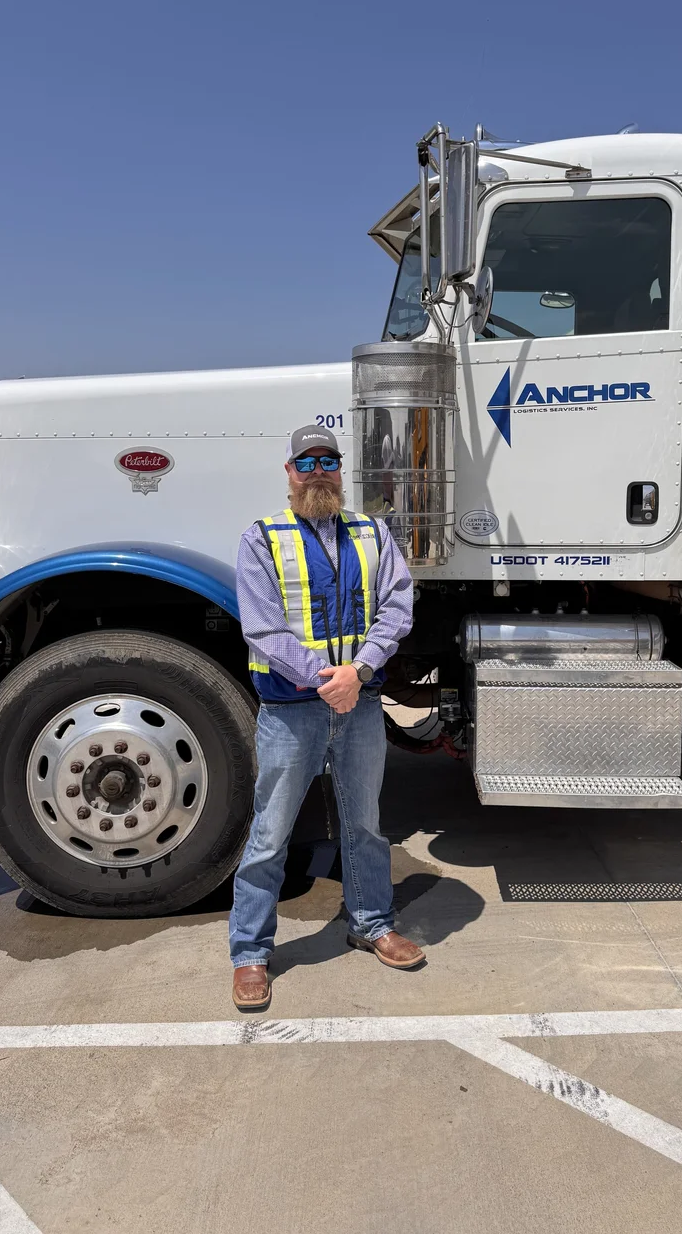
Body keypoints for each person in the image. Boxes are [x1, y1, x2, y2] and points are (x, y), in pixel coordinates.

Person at [229, 424, 425, 1010]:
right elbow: (262, 626)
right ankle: (250, 954)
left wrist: (357, 674)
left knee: (364, 825)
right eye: (306, 461)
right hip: (292, 713)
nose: (318, 470)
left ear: (341, 471)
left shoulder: (372, 534)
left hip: (359, 705)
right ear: (289, 473)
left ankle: (371, 922)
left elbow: (397, 605)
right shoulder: (262, 538)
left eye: (329, 461)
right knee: (270, 833)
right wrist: (326, 680)